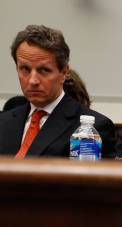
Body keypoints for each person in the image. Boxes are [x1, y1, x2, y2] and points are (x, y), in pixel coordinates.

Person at [0, 25, 115, 158]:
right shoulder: (3, 122)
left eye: (44, 70)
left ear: (64, 72)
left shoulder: (93, 128)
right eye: (25, 69)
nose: (33, 81)